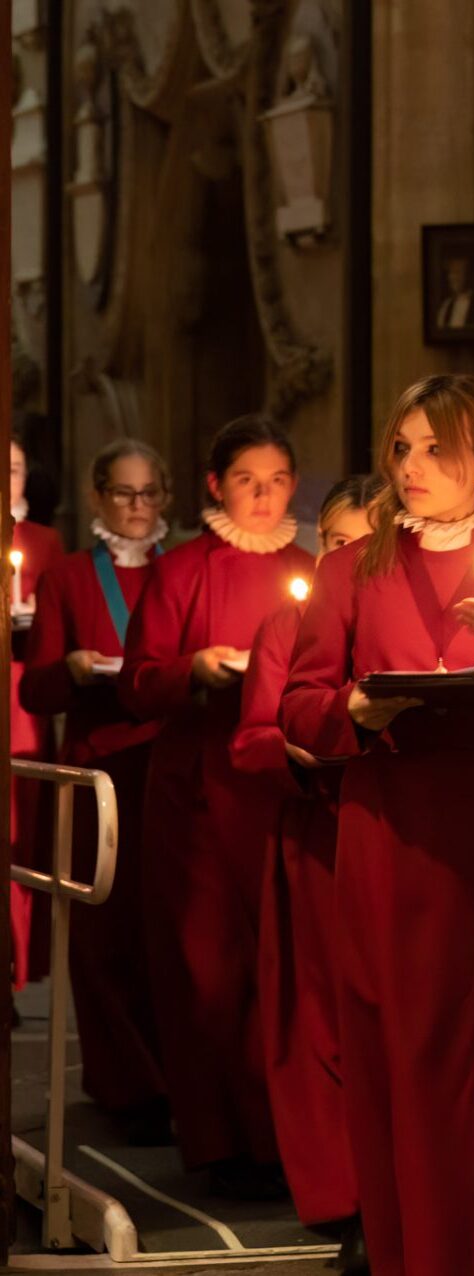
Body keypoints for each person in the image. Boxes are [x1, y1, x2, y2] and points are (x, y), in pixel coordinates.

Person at [280, 374, 474, 1276]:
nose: (411, 466)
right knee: (401, 1053)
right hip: (390, 829)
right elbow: (298, 706)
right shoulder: (349, 566)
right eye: (400, 448)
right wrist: (353, 714)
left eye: (435, 448)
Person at [118, 415, 313, 1198]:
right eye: (245, 482)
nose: (262, 498)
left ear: (295, 486)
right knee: (205, 971)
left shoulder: (315, 567)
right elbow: (138, 681)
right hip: (196, 793)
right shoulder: (182, 571)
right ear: (214, 486)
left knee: (283, 971)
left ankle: (287, 1138)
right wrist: (194, 668)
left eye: (275, 482)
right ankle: (220, 1140)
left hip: (279, 791)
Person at [231, 475, 379, 1267]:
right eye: (333, 543)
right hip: (315, 835)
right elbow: (251, 735)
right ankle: (344, 1196)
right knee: (320, 1021)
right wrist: (292, 751)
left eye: (360, 542)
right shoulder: (288, 621)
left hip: (390, 834)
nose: (343, 558)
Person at [20, 439, 172, 1143]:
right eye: (123, 494)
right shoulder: (71, 578)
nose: (136, 509)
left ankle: (175, 1080)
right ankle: (125, 1086)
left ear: (166, 497)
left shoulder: (183, 571)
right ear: (96, 497)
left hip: (168, 766)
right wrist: (76, 667)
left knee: (166, 935)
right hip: (99, 772)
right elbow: (36, 685)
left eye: (148, 494)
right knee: (103, 937)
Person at [9, 436, 64, 991]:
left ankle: (16, 967)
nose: (9, 477)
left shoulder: (45, 540)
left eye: (17, 468)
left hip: (21, 692)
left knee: (23, 830)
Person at [436, 255, 474, 329]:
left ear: (467, 273)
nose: (452, 277)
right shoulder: (446, 306)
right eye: (450, 273)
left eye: (457, 272)